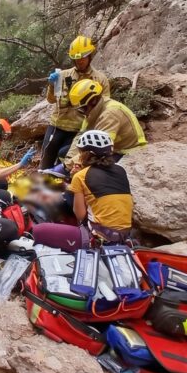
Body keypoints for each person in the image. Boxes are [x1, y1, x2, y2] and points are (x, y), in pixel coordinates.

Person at [33, 130, 133, 249]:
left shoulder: (81, 176)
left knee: (39, 231)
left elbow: (80, 215)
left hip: (99, 237)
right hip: (124, 234)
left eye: (80, 152)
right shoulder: (120, 170)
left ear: (86, 153)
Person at [41, 36, 110, 169]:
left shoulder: (100, 79)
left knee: (66, 162)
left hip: (78, 129)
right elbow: (51, 100)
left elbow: (104, 107)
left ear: (90, 56)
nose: (79, 61)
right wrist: (51, 85)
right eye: (76, 58)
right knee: (46, 159)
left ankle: (60, 185)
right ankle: (42, 184)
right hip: (57, 126)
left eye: (83, 57)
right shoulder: (63, 75)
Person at [62, 78, 147, 171]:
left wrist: (68, 167)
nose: (82, 113)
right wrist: (67, 161)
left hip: (125, 151)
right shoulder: (93, 111)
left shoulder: (110, 113)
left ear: (93, 101)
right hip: (111, 147)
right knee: (63, 152)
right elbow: (80, 136)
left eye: (82, 109)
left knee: (94, 169)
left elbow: (99, 148)